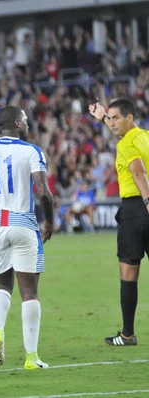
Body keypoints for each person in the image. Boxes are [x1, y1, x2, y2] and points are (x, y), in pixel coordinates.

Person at [0, 106, 54, 370]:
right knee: (29, 293)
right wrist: (49, 220)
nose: (28, 126)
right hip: (23, 223)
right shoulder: (31, 151)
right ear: (17, 123)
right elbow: (44, 192)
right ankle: (31, 357)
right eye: (26, 121)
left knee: (2, 286)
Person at [89, 98, 149, 346]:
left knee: (128, 271)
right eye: (109, 119)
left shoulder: (125, 144)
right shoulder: (144, 136)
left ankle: (127, 334)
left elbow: (138, 172)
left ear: (130, 117)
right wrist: (102, 116)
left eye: (116, 118)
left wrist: (147, 200)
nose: (112, 124)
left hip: (136, 210)